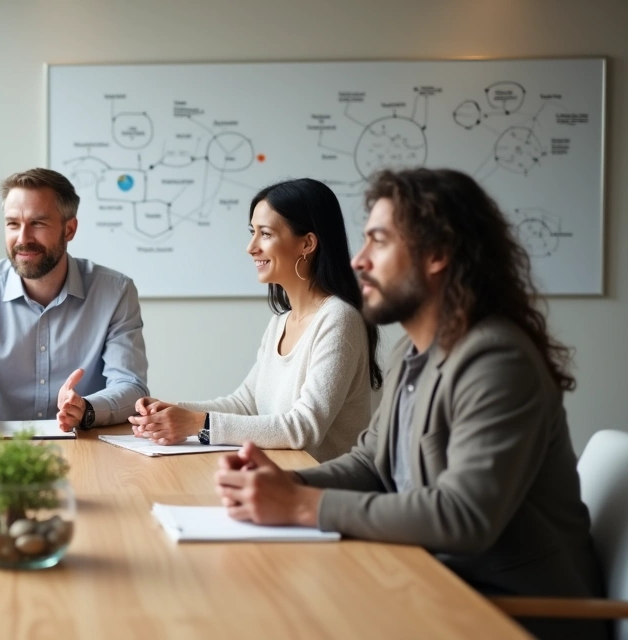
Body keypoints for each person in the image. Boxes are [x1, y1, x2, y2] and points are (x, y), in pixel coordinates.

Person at [214, 168, 604, 640]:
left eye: (378, 242)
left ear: (437, 254)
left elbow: (463, 516)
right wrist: (286, 481)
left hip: (510, 612)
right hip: (433, 579)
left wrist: (301, 504)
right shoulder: (416, 351)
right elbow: (372, 463)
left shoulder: (497, 360)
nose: (359, 261)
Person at [128, 178, 381, 462]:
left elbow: (304, 428)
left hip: (323, 493)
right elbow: (246, 404)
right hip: (281, 480)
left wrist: (196, 423)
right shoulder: (281, 323)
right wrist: (172, 409)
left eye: (266, 234)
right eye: (252, 232)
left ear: (307, 243)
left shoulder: (339, 319)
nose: (251, 247)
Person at [0, 168, 149, 435]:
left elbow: (131, 385)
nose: (23, 239)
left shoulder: (115, 292)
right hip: (2, 453)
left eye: (38, 223)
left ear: (69, 229)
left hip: (86, 446)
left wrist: (87, 409)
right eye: (13, 224)